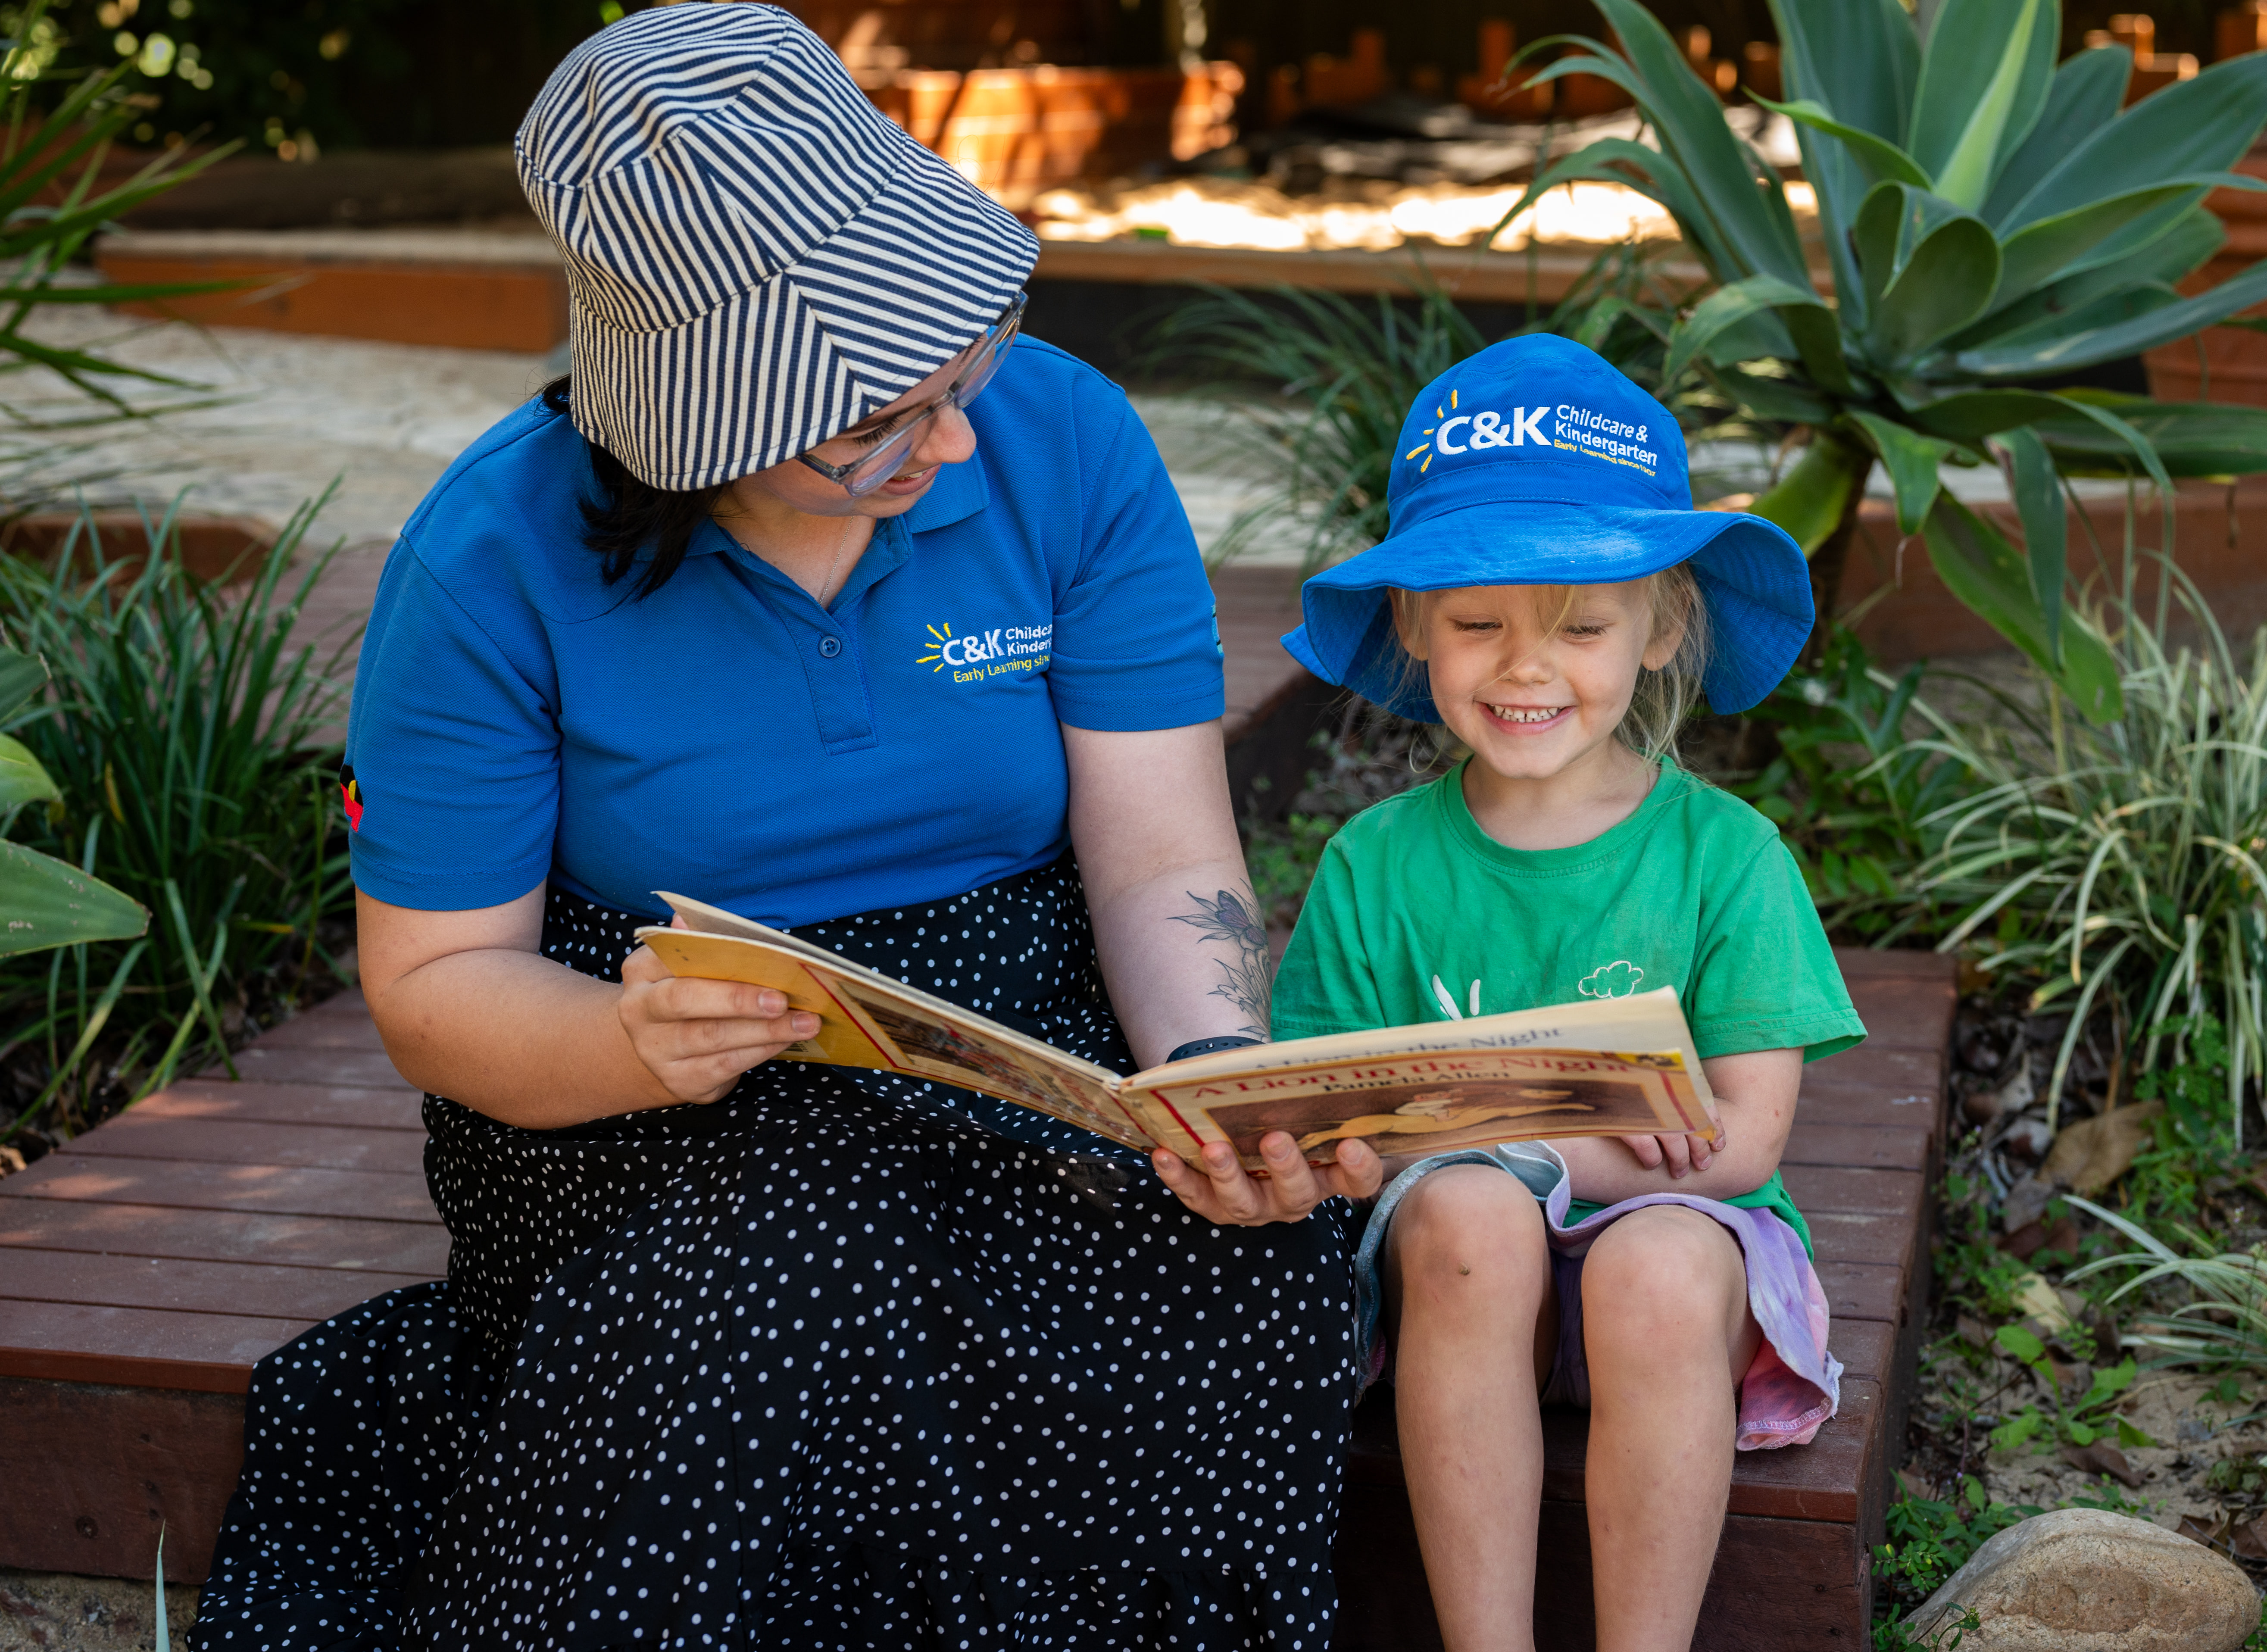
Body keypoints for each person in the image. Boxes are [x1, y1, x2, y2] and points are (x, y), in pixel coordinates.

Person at [191, 8, 1378, 1649]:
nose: (952, 438)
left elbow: (1165, 853)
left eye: (960, 367)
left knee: (1239, 1270)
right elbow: (438, 984)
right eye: (874, 421)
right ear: (700, 434)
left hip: (1021, 1014)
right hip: (644, 1066)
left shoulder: (1072, 438)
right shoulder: (488, 561)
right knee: (788, 1269)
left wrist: (1205, 1081)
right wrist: (628, 1037)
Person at [1269, 335, 1868, 1652]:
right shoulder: (1377, 862)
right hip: (1458, 1298)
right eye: (1477, 622)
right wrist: (1428, 1150)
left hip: (1676, 1294)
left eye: (1582, 624)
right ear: (1415, 627)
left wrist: (1500, 1134)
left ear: (1658, 633)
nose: (1525, 667)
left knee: (1653, 1253)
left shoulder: (1726, 855)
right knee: (1471, 1213)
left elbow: (1744, 1140)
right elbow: (1333, 1124)